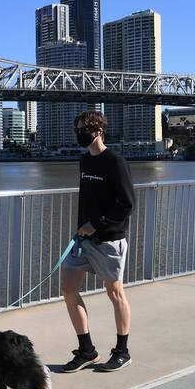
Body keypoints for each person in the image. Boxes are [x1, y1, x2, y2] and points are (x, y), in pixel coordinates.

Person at [60, 111, 135, 373]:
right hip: (84, 240)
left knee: (115, 293)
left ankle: (122, 351)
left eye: (84, 129)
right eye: (78, 129)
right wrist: (82, 228)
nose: (80, 134)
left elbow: (127, 204)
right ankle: (87, 350)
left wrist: (97, 224)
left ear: (99, 131)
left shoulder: (115, 162)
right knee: (68, 289)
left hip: (109, 240)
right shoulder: (84, 162)